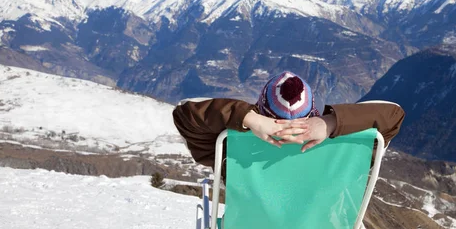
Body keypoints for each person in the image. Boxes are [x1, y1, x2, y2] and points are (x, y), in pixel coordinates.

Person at [172, 71, 405, 173]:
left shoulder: (231, 150)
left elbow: (184, 116)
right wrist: (333, 123)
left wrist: (245, 117)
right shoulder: (341, 152)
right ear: (313, 110)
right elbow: (393, 116)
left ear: (262, 110)